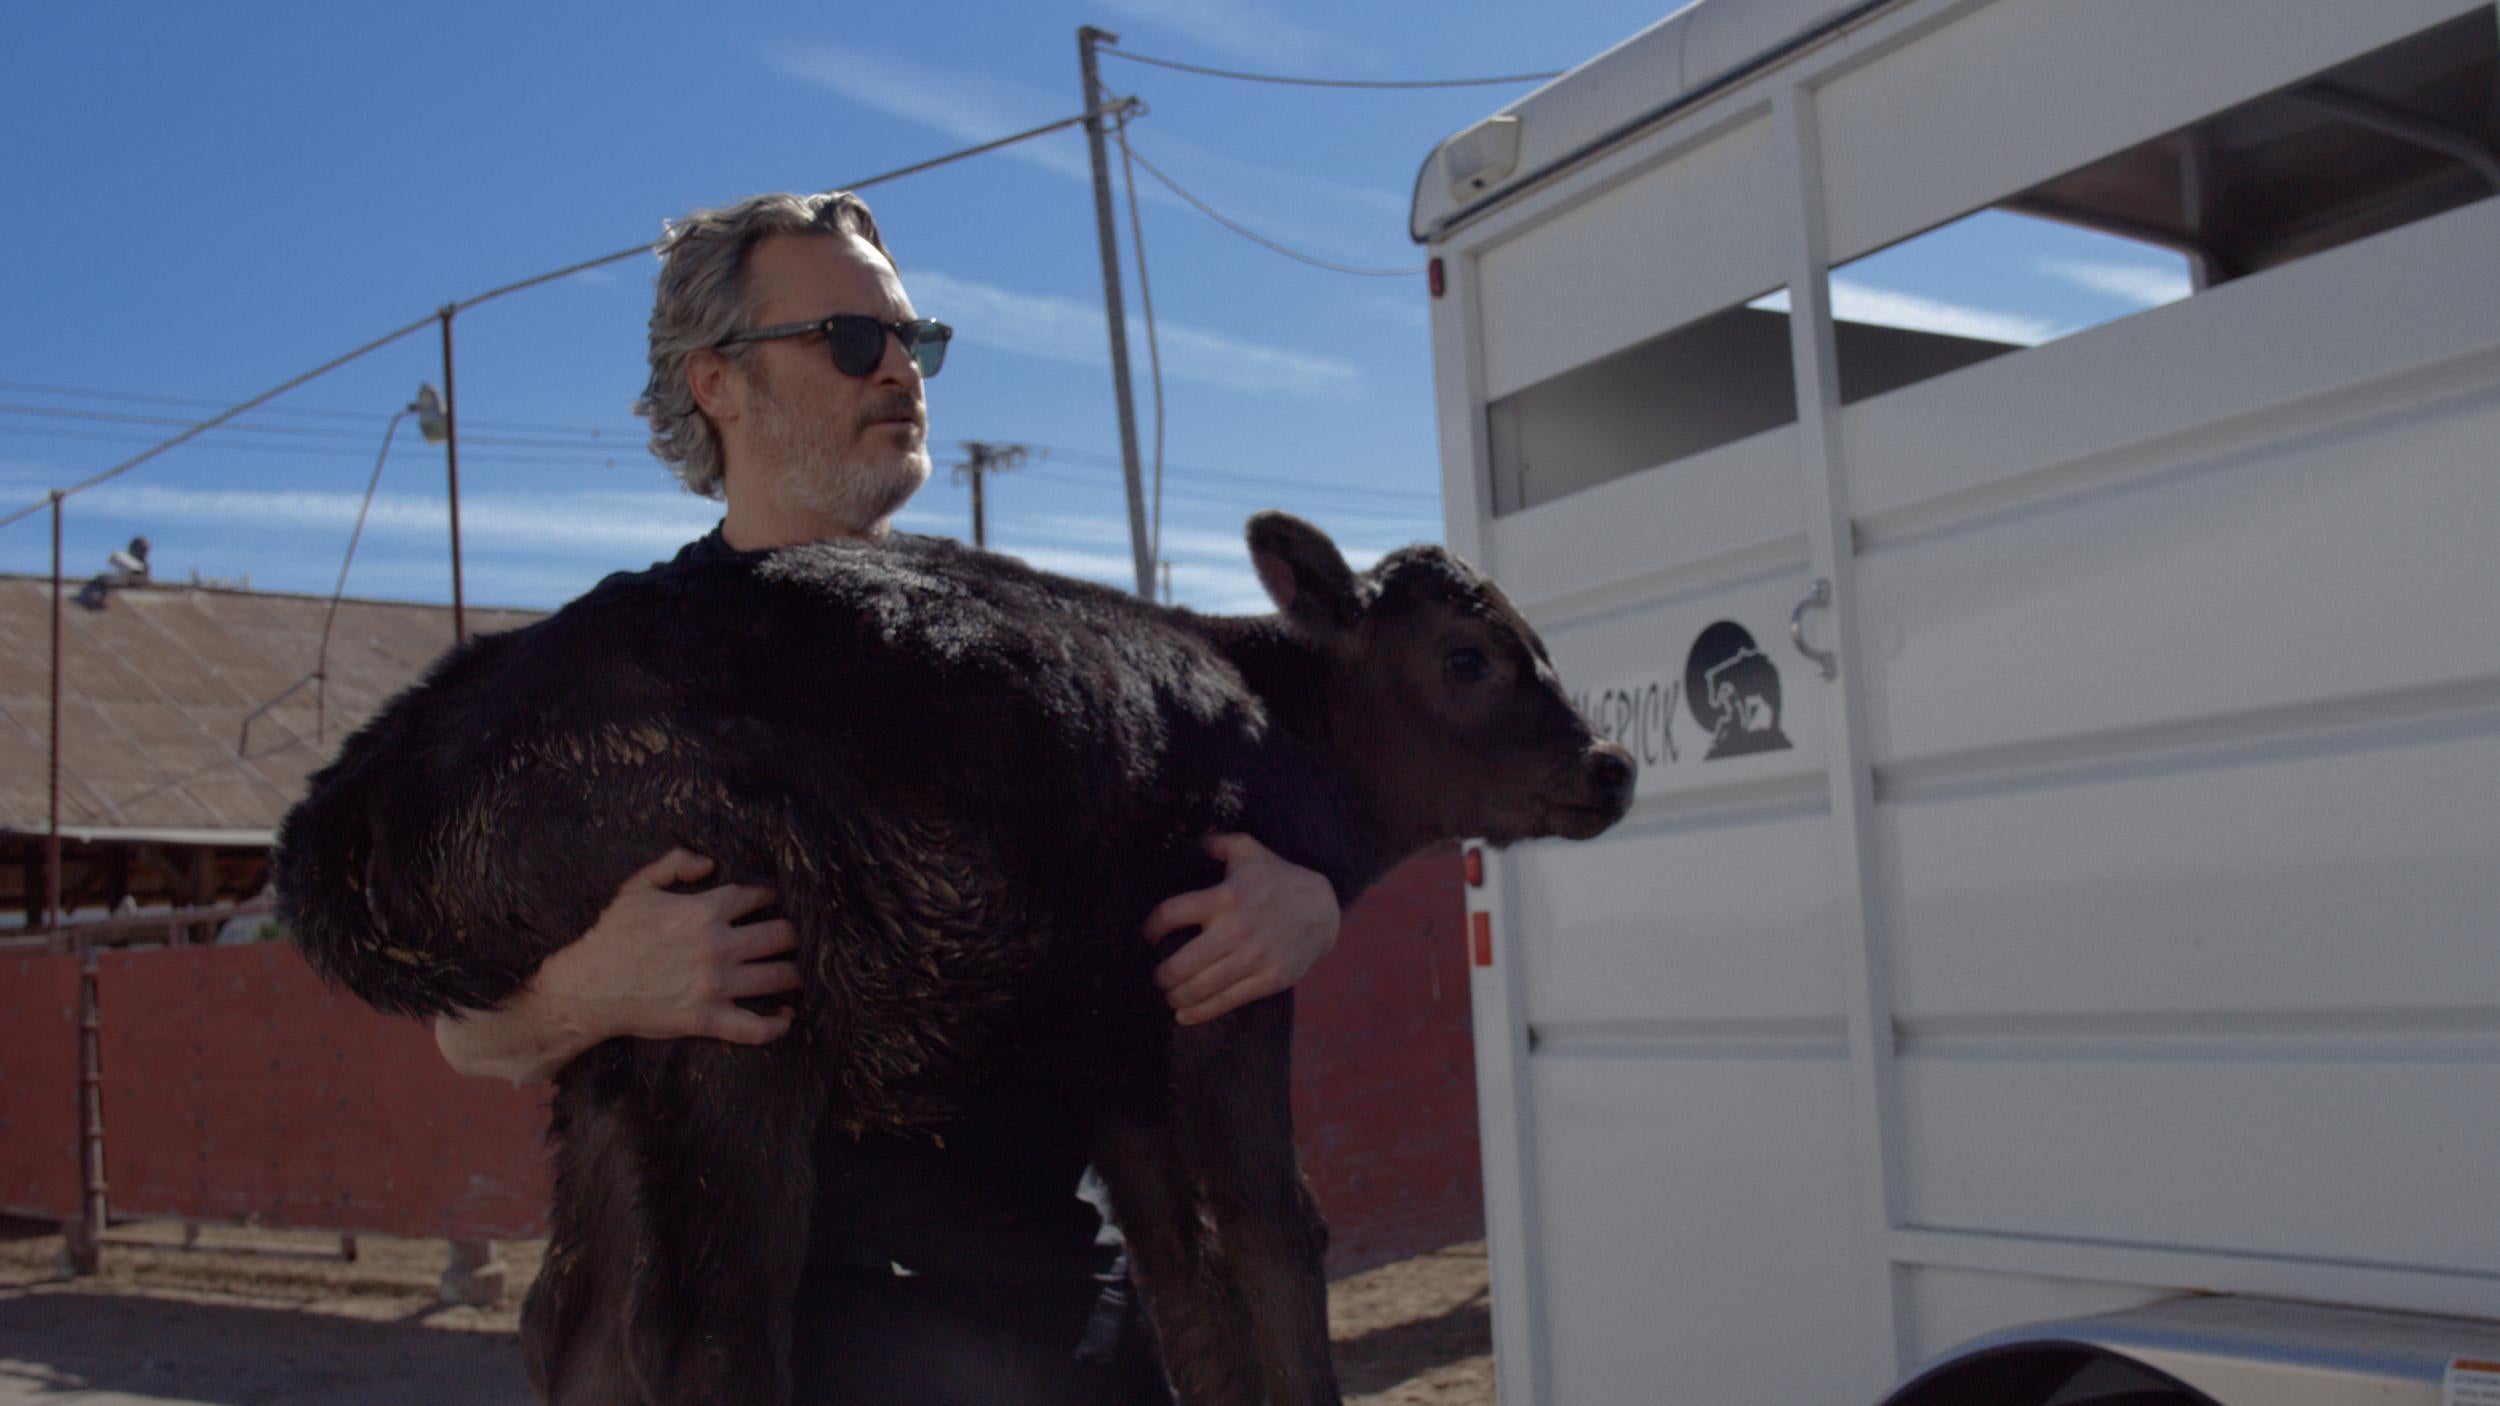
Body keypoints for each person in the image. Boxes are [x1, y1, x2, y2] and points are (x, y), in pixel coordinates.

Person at [430, 191, 1341, 1403]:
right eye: (853, 340)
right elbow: (464, 1026)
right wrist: (595, 987)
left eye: (916, 339)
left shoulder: (1041, 654)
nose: (900, 370)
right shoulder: (608, 676)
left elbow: (1265, 831)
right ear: (718, 382)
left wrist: (1306, 895)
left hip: (1064, 1330)